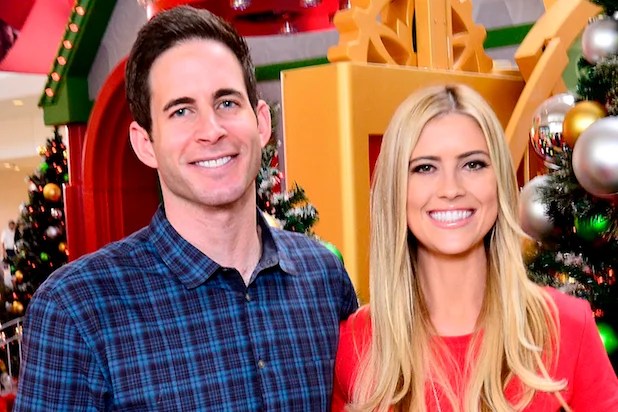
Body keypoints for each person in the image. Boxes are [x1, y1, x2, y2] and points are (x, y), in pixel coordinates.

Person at [15, 6, 358, 411]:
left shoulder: (323, 276)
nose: (211, 131)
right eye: (181, 111)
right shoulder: (76, 308)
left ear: (261, 122)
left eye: (227, 103)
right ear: (145, 143)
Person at [332, 84, 618, 411]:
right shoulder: (353, 346)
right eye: (424, 167)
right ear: (395, 189)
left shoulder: (567, 326)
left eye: (473, 165)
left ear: (500, 181)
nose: (451, 189)